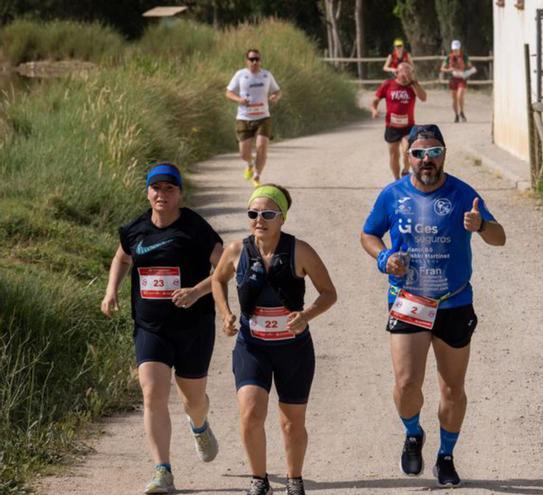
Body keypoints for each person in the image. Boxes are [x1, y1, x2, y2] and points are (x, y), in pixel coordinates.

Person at [360, 124, 505, 487]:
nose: (427, 160)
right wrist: (384, 259)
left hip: (453, 302)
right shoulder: (392, 195)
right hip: (408, 300)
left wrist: (481, 224)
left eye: (434, 152)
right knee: (407, 383)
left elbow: (499, 238)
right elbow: (368, 234)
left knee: (452, 389)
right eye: (419, 153)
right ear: (407, 155)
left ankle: (446, 456)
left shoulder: (462, 194)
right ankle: (413, 434)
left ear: (444, 154)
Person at [101, 163, 223, 494]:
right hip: (150, 327)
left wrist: (197, 291)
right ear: (147, 192)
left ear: (180, 194)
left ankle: (199, 425)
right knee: (153, 392)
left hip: (193, 327)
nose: (162, 194)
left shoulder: (195, 227)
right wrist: (111, 290)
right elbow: (122, 258)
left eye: (170, 189)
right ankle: (162, 470)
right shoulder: (136, 228)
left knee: (192, 400)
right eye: (156, 188)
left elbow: (226, 267)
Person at [212, 184, 337, 495]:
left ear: (282, 218)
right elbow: (217, 279)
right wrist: (225, 313)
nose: (259, 219)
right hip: (252, 346)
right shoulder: (236, 250)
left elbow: (329, 293)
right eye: (253, 213)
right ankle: (260, 480)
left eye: (268, 214)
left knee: (291, 423)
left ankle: (294, 480)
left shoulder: (300, 251)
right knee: (251, 412)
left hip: (293, 349)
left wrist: (306, 316)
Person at [226, 48, 282, 187]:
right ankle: (250, 164)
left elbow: (277, 90)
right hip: (244, 118)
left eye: (257, 59)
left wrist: (275, 97)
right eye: (252, 59)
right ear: (247, 61)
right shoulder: (240, 75)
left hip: (263, 117)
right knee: (244, 153)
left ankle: (257, 176)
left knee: (261, 147)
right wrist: (239, 100)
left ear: (260, 60)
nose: (255, 62)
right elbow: (228, 92)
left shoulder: (266, 75)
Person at [372, 62, 427, 180]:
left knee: (408, 150)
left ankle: (406, 170)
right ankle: (396, 180)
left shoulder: (413, 86)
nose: (407, 73)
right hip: (391, 126)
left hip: (408, 126)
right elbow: (375, 100)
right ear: (397, 72)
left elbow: (423, 98)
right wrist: (374, 110)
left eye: (409, 71)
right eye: (404, 70)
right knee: (393, 154)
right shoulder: (388, 84)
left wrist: (413, 82)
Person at [440, 40, 474, 123]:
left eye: (457, 49)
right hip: (453, 79)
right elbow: (442, 68)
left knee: (460, 95)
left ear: (459, 49)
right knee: (454, 99)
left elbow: (470, 67)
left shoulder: (464, 57)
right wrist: (449, 70)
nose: (456, 51)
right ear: (452, 49)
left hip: (462, 79)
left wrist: (466, 71)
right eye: (454, 49)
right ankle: (456, 115)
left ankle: (461, 111)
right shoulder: (449, 57)